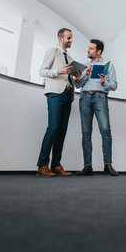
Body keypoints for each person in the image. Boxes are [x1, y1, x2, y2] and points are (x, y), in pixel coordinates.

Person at [36, 28, 82, 177]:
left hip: (68, 94)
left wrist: (77, 78)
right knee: (53, 128)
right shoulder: (52, 50)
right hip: (55, 94)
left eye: (71, 38)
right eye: (68, 38)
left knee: (62, 131)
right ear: (60, 38)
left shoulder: (70, 56)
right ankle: (42, 166)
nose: (71, 41)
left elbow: (69, 78)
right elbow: (42, 71)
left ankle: (56, 165)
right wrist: (58, 71)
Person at [75, 39, 119, 176]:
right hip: (85, 98)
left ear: (98, 51)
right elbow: (78, 85)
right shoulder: (83, 64)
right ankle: (87, 166)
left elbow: (115, 85)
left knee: (105, 130)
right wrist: (85, 75)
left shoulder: (108, 64)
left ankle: (108, 164)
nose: (88, 50)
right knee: (86, 132)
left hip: (100, 97)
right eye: (88, 48)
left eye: (91, 48)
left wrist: (104, 82)